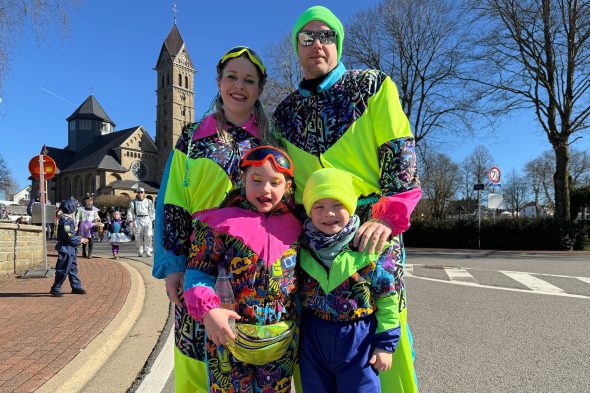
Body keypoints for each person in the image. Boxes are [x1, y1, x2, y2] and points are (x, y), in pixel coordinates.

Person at [272, 6, 422, 392]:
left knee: (385, 334)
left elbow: (401, 157)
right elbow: (283, 186)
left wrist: (387, 219)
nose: (317, 44)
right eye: (308, 37)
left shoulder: (372, 86)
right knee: (315, 341)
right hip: (314, 237)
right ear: (296, 46)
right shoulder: (285, 114)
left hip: (372, 231)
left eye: (327, 36)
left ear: (338, 43)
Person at [153, 46, 275, 392]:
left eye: (249, 80)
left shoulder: (270, 142)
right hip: (198, 268)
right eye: (232, 77)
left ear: (260, 89)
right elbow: (173, 202)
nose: (239, 86)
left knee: (253, 358)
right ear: (219, 82)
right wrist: (172, 264)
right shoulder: (192, 138)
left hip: (253, 269)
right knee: (195, 356)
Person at [183, 146, 301, 392]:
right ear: (243, 179)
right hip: (227, 336)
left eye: (275, 182)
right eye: (256, 180)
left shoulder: (298, 227)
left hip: (280, 342)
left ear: (287, 186)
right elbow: (197, 271)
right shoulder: (219, 223)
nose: (265, 189)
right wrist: (208, 311)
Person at [298, 168, 401, 392]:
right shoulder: (301, 247)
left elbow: (387, 297)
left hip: (358, 337)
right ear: (309, 211)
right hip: (314, 337)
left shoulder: (369, 246)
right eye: (319, 206)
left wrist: (385, 344)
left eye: (338, 205)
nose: (329, 213)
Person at [50, 199, 88, 297]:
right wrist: (79, 240)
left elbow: (70, 234)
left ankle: (76, 286)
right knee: (63, 269)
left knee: (72, 268)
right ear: (72, 209)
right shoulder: (66, 220)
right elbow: (68, 235)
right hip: (66, 248)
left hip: (70, 248)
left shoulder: (67, 218)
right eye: (75, 208)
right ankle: (56, 288)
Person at [127, 188, 155, 257]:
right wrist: (130, 221)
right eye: (138, 192)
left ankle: (148, 250)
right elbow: (130, 212)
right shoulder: (133, 202)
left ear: (144, 193)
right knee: (138, 236)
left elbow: (152, 211)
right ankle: (140, 250)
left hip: (147, 219)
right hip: (138, 219)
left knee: (148, 235)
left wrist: (153, 220)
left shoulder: (149, 201)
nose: (140, 194)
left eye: (141, 192)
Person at [76, 194, 101, 258]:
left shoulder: (94, 209)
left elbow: (97, 217)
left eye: (92, 200)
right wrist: (76, 225)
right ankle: (84, 252)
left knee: (91, 239)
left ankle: (90, 254)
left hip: (91, 225)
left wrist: (97, 219)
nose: (91, 201)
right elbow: (77, 218)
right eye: (89, 199)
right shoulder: (81, 209)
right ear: (85, 201)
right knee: (84, 239)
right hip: (83, 225)